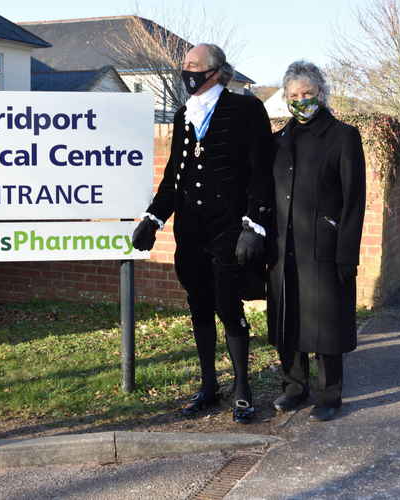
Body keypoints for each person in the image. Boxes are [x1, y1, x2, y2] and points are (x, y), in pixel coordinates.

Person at [132, 44, 274, 423]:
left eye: (194, 65)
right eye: (184, 65)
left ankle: (243, 387)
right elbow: (172, 178)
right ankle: (209, 385)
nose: (186, 70)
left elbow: (262, 172)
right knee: (199, 307)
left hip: (229, 229)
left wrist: (254, 225)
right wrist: (154, 218)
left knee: (229, 307)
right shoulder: (183, 115)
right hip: (191, 233)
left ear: (215, 71)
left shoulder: (245, 109)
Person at [267, 61, 366, 422]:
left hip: (324, 247)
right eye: (293, 95)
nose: (300, 100)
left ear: (321, 93)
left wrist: (346, 253)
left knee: (326, 325)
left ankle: (329, 394)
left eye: (307, 93)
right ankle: (294, 387)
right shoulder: (279, 139)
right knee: (287, 320)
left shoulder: (343, 136)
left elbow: (354, 199)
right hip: (284, 248)